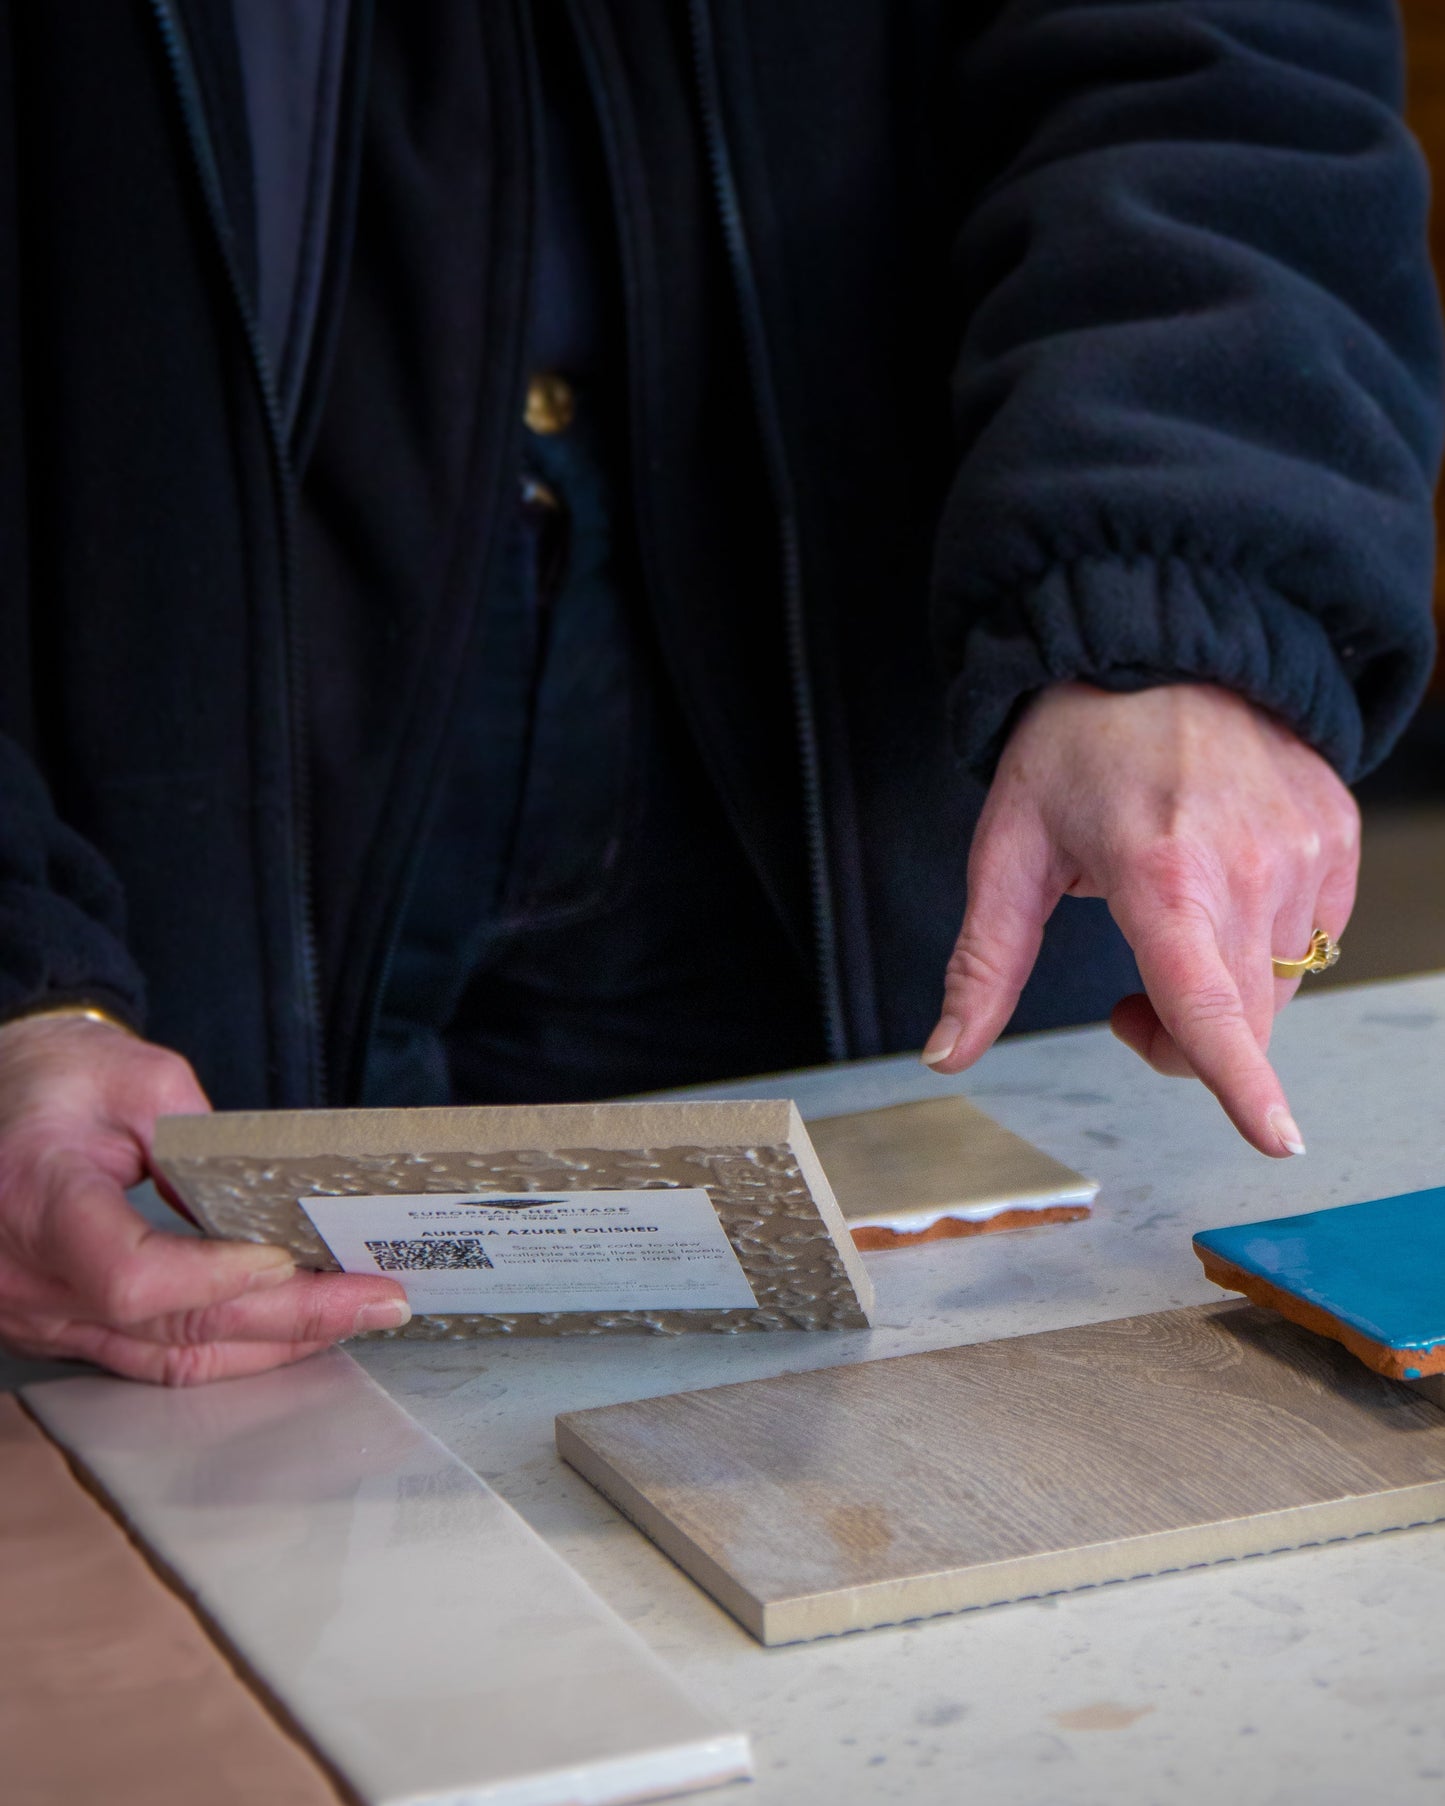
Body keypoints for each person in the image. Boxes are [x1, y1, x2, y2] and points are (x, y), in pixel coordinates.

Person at [0, 1, 1437, 1383]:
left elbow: (1223, 43)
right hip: (121, 784)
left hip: (907, 705)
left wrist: (1175, 589)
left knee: (961, 1453)